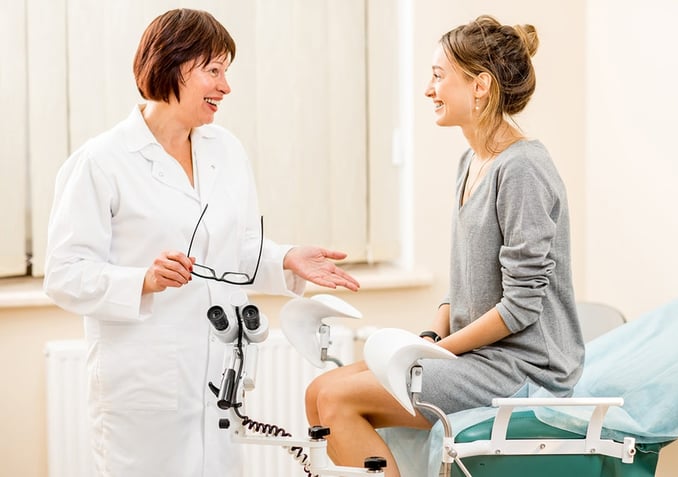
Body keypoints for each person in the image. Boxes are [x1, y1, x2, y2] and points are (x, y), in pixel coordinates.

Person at [43, 8, 359, 477]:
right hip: (143, 386)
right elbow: (64, 274)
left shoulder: (226, 151)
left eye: (225, 72)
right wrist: (143, 280)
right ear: (171, 65)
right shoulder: (101, 162)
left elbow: (238, 249)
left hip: (218, 377)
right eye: (213, 71)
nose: (225, 87)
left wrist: (287, 257)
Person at [304, 15, 584, 477]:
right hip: (478, 358)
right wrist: (428, 338)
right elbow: (464, 286)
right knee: (319, 390)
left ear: (480, 86)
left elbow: (519, 308)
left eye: (438, 76)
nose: (428, 90)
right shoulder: (470, 161)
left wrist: (441, 352)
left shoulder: (523, 170)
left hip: (525, 372)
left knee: (338, 400)